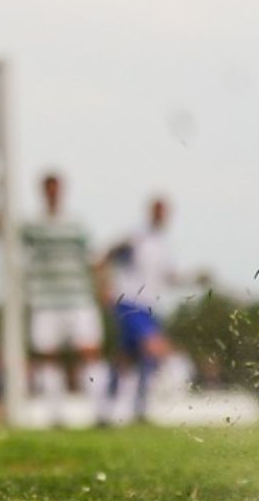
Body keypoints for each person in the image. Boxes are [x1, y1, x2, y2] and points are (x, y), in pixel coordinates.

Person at [21, 171, 110, 425]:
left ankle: (100, 413)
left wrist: (103, 285)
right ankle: (55, 415)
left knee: (90, 352)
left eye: (56, 188)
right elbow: (2, 235)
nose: (52, 193)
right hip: (45, 301)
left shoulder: (76, 224)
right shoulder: (31, 226)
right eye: (48, 188)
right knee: (48, 356)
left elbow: (93, 258)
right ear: (42, 191)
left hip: (78, 298)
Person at [105, 196, 180, 424]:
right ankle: (140, 406)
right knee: (154, 347)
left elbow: (167, 277)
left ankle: (108, 405)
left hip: (149, 305)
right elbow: (107, 255)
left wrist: (194, 279)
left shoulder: (162, 244)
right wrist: (104, 287)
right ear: (150, 212)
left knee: (127, 357)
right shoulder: (137, 237)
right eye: (158, 210)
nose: (161, 215)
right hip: (129, 301)